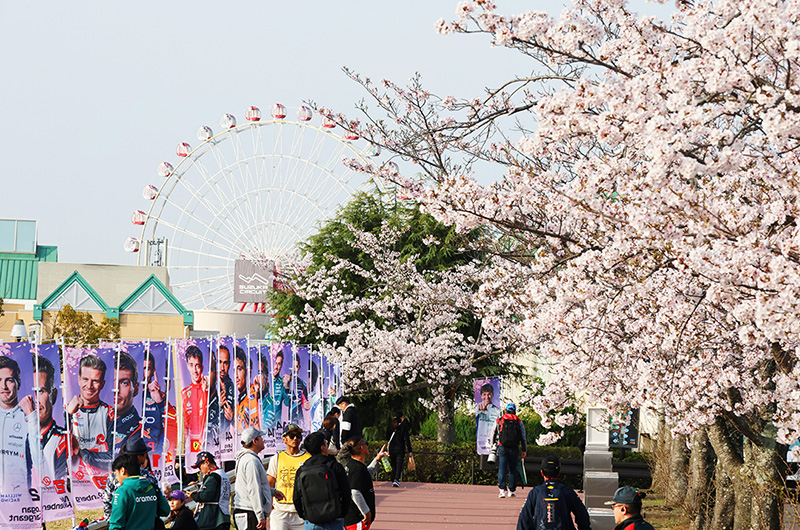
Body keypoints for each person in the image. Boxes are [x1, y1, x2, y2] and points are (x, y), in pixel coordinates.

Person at [20, 354, 67, 483]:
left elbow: (44, 476)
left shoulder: (63, 439)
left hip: (52, 502)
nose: (34, 400)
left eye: (40, 391)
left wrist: (31, 418)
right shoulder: (14, 436)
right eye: (30, 392)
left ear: (54, 395)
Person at [67, 353, 114, 474]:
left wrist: (81, 453)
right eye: (85, 379)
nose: (89, 386)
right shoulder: (65, 411)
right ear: (79, 380)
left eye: (95, 381)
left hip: (100, 485)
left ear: (102, 384)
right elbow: (56, 453)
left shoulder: (110, 414)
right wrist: (67, 415)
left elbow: (112, 458)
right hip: (73, 483)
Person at [293, 431, 349, 530]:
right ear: (322, 447)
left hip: (312, 521)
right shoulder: (334, 466)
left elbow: (296, 497)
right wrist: (341, 513)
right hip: (334, 520)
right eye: (326, 443)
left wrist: (305, 516)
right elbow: (346, 492)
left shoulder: (302, 470)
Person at [516, 456, 590, 530]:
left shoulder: (535, 492)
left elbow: (524, 520)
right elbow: (582, 516)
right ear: (559, 472)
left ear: (542, 472)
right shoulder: (567, 491)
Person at [234, 426, 286, 530]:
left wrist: (272, 491)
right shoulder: (251, 460)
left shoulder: (244, 458)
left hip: (245, 510)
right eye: (260, 437)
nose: (263, 440)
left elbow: (250, 486)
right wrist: (260, 515)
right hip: (250, 512)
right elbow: (254, 489)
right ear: (255, 441)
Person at [336, 437, 389, 530]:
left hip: (352, 517)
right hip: (357, 520)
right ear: (362, 448)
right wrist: (366, 512)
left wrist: (377, 460)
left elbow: (366, 474)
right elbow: (355, 492)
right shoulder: (357, 469)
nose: (367, 446)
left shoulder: (352, 464)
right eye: (366, 444)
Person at [108, 453, 169, 530]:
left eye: (116, 474)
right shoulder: (152, 487)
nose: (116, 478)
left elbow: (116, 525)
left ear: (122, 471)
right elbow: (165, 510)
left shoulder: (122, 491)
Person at [102, 437, 159, 519]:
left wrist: (112, 522)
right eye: (145, 453)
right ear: (140, 456)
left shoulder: (113, 476)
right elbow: (159, 505)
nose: (146, 455)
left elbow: (107, 503)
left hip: (121, 523)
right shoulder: (148, 477)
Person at [267, 424, 311, 530]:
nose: (295, 438)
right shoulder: (277, 458)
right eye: (291, 436)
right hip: (280, 511)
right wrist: (271, 508)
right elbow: (269, 482)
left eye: (298, 436)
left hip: (301, 512)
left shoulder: (308, 458)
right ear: (284, 439)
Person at [0, 355, 32, 494]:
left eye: (9, 380)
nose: (4, 386)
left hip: (20, 496)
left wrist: (32, 417)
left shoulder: (29, 416)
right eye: (0, 380)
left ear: (18, 382)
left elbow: (40, 459)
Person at [491, 403, 527, 498]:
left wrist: (493, 445)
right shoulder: (519, 422)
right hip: (514, 448)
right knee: (512, 469)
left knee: (502, 468)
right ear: (515, 411)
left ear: (506, 410)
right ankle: (512, 490)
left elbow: (493, 433)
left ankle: (502, 490)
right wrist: (524, 449)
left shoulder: (500, 420)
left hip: (502, 446)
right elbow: (523, 437)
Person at [191, 451, 232, 530]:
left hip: (213, 519)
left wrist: (192, 495)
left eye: (199, 467)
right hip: (223, 516)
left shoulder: (213, 476)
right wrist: (199, 485)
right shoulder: (222, 474)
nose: (200, 470)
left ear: (206, 462)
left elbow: (205, 496)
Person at [111, 351, 143, 452]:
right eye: (111, 382)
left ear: (136, 389)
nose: (116, 389)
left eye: (124, 383)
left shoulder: (142, 431)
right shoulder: (87, 424)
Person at [182, 346, 208, 456]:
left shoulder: (208, 388)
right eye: (191, 365)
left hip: (208, 441)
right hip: (191, 445)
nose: (195, 370)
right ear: (187, 366)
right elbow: (185, 423)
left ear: (201, 367)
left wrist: (206, 391)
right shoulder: (185, 393)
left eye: (197, 366)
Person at [385, 411, 413, 488]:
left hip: (391, 448)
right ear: (401, 418)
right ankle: (396, 480)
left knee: (393, 464)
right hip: (400, 448)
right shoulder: (403, 427)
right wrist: (410, 450)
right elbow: (407, 439)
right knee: (399, 465)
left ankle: (393, 478)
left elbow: (387, 437)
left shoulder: (390, 426)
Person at [235, 347, 258, 430]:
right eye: (233, 370)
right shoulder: (237, 402)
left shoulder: (255, 393)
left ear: (248, 372)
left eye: (239, 369)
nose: (236, 375)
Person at [219, 345, 235, 435]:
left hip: (226, 438)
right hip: (210, 439)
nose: (222, 368)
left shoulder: (231, 385)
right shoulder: (209, 384)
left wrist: (232, 416)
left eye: (225, 363)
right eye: (219, 362)